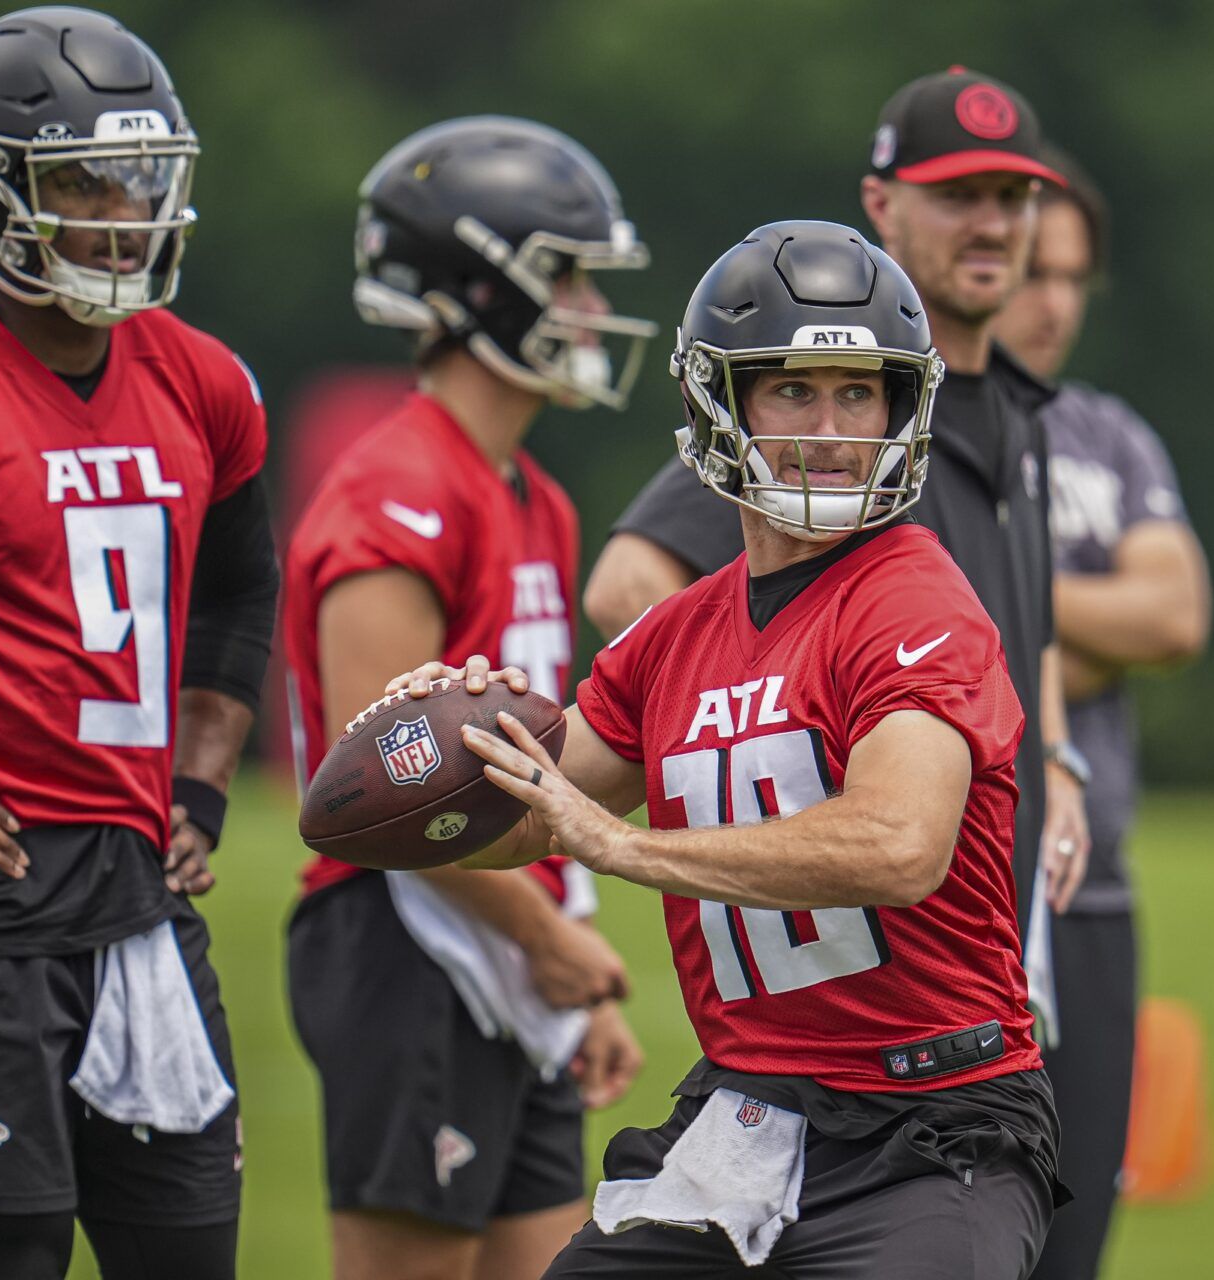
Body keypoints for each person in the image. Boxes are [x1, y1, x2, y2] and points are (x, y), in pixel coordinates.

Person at [393, 221, 1064, 1278]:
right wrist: (432, 750)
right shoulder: (675, 633)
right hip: (748, 1114)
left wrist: (624, 847)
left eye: (862, 392)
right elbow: (522, 816)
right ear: (722, 398)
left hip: (933, 1125)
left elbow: (900, 844)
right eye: (794, 389)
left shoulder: (911, 594)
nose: (833, 428)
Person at [0, 9, 276, 1279]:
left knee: (190, 1252)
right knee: (15, 1256)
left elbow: (236, 590)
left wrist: (199, 784)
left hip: (137, 899)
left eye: (143, 177)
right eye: (86, 181)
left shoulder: (202, 375)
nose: (128, 210)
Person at [582, 69, 1092, 1007]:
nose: (990, 223)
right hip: (855, 924)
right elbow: (630, 586)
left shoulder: (1018, 413)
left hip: (994, 901)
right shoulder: (803, 388)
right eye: (956, 195)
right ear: (882, 203)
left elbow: (1033, 628)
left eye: (1011, 197)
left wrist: (1055, 756)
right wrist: (773, 729)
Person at [280, 117, 649, 1280]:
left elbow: (537, 764)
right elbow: (379, 793)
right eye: (567, 274)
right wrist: (545, 939)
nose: (589, 304)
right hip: (413, 944)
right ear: (484, 289)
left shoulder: (530, 491)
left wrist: (569, 956)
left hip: (507, 942)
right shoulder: (400, 487)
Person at [992, 152, 1212, 1280]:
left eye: (1076, 275)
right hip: (958, 892)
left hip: (1093, 889)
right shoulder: (912, 418)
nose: (1054, 300)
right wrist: (1066, 625)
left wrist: (1009, 597)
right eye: (1034, 268)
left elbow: (1175, 612)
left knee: (1075, 1251)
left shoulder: (1109, 436)